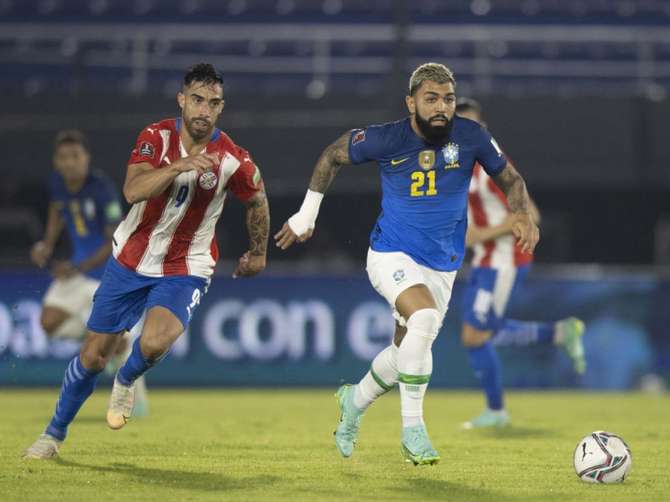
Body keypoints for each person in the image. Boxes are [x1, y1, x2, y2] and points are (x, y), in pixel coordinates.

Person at [275, 63, 540, 465]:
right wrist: (306, 215)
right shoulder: (387, 138)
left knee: (404, 355)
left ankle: (354, 401)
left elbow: (511, 179)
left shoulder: (471, 136)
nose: (441, 107)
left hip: (443, 266)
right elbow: (332, 155)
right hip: (390, 254)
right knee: (426, 320)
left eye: (448, 99)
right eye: (431, 98)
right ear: (411, 101)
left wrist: (520, 212)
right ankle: (413, 430)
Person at [23, 63, 270, 459]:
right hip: (131, 258)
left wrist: (258, 251)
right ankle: (52, 436)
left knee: (155, 342)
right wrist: (178, 167)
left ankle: (127, 378)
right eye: (197, 100)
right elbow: (134, 190)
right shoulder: (155, 137)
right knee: (91, 355)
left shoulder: (232, 158)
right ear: (182, 100)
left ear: (221, 108)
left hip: (186, 266)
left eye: (213, 103)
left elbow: (256, 197)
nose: (204, 110)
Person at [456, 98, 586, 430]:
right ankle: (559, 332)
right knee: (474, 333)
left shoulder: (490, 167)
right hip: (485, 260)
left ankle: (497, 412)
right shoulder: (460, 164)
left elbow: (532, 215)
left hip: (504, 260)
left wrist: (482, 233)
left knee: (476, 333)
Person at [30, 129, 150, 417]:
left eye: (75, 156)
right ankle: (108, 343)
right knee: (49, 323)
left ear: (86, 158)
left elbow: (114, 239)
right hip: (78, 268)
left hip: (105, 272)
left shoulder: (101, 188)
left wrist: (78, 267)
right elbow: (58, 210)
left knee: (117, 340)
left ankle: (138, 403)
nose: (70, 162)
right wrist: (46, 243)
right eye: (64, 157)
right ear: (56, 161)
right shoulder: (57, 183)